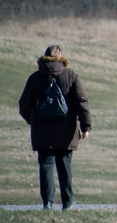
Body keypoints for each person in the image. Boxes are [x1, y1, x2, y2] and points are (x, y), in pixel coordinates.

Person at [18, 45, 92, 210]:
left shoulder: (35, 78)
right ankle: (68, 201)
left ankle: (48, 202)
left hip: (42, 131)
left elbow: (23, 104)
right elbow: (81, 102)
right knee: (65, 165)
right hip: (66, 131)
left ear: (44, 58)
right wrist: (86, 125)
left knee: (46, 165)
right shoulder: (71, 76)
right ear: (62, 58)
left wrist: (33, 120)